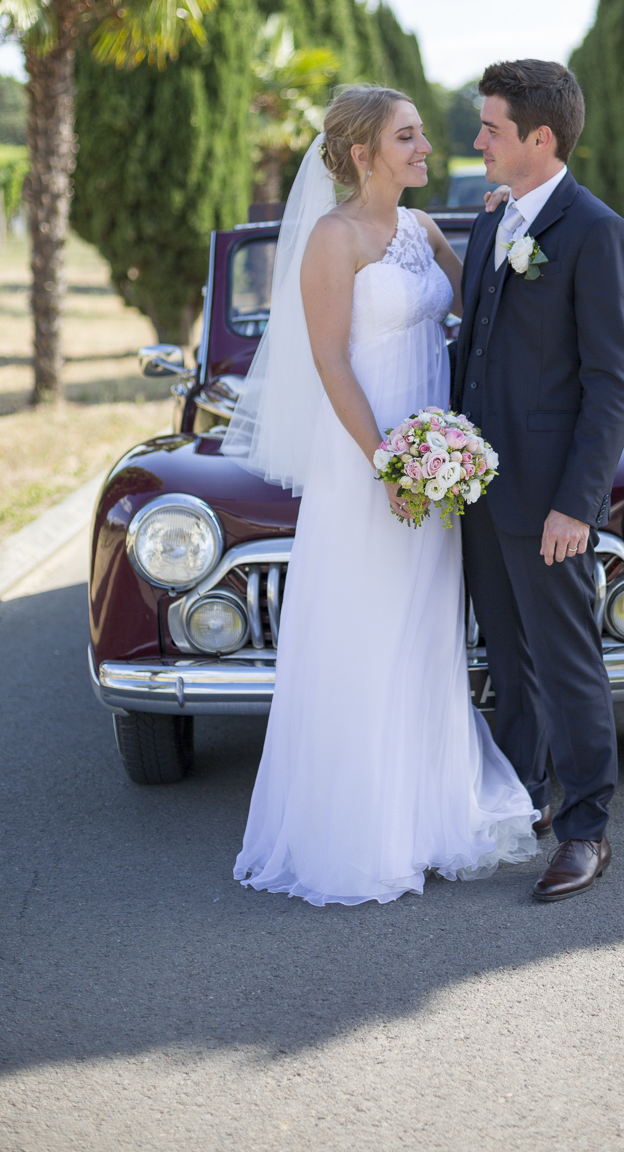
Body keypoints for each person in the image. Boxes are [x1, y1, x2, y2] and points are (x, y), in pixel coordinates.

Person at [223, 85, 539, 906]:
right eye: (408, 136)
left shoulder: (422, 229)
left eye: (422, 134)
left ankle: (428, 814)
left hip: (434, 464)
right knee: (367, 626)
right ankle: (365, 829)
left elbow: (479, 305)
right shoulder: (332, 239)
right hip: (371, 462)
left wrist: (507, 225)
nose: (425, 147)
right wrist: (387, 465)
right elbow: (331, 361)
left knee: (425, 626)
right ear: (363, 154)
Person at [454, 60, 624, 902]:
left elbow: (612, 383)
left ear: (540, 137)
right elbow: (476, 348)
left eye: (491, 128)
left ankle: (587, 829)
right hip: (479, 492)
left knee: (567, 662)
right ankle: (524, 794)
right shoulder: (494, 221)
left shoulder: (598, 233)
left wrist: (577, 503)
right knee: (507, 653)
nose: (478, 141)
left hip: (549, 499)